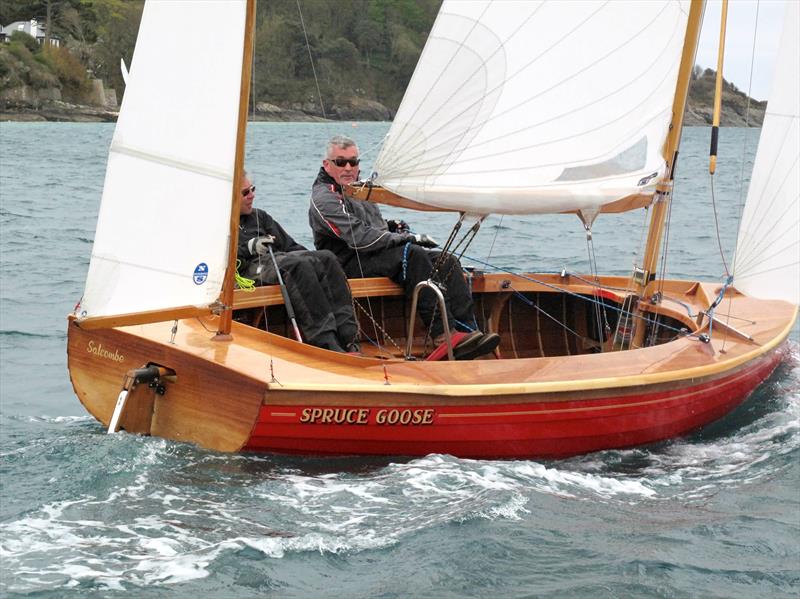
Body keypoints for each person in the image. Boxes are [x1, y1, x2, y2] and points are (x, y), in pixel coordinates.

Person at [308, 135, 499, 360]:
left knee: (446, 260)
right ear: (327, 165)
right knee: (414, 254)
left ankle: (467, 331)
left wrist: (393, 227)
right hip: (349, 262)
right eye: (341, 162)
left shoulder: (358, 189)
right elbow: (360, 238)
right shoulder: (324, 198)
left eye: (354, 162)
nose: (349, 167)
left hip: (375, 254)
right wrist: (407, 239)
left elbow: (374, 227)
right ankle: (441, 334)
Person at [238, 171, 359, 353]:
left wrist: (314, 260)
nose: (252, 195)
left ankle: (349, 337)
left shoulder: (259, 217)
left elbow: (290, 246)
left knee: (325, 257)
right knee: (295, 266)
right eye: (245, 192)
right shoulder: (219, 224)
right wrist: (248, 247)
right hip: (245, 270)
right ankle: (326, 343)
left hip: (276, 260)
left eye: (252, 189)